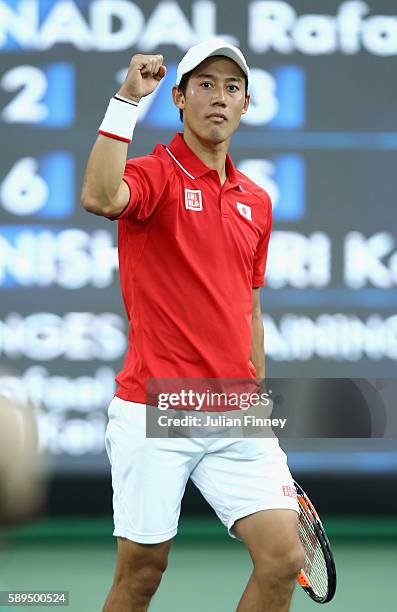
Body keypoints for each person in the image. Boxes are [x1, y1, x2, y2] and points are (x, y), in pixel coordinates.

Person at [81, 38, 304, 612]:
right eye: (205, 85)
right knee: (142, 577)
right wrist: (126, 100)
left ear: (246, 104)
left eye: (232, 88)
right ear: (178, 98)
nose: (219, 98)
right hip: (156, 406)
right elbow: (101, 195)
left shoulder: (256, 199)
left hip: (234, 410)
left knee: (283, 560)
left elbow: (248, 305)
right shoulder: (155, 174)